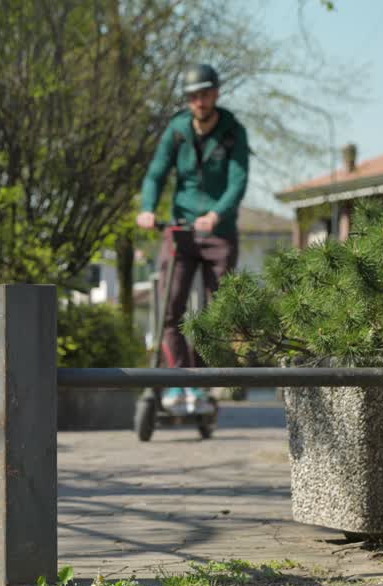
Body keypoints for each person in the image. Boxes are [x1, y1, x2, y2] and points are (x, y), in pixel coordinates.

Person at [135, 63, 249, 413]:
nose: (200, 101)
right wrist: (148, 207)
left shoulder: (233, 131)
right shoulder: (177, 131)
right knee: (171, 309)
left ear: (216, 94)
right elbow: (156, 174)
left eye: (206, 93)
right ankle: (177, 381)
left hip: (218, 233)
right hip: (181, 229)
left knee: (215, 315)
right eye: (193, 96)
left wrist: (216, 214)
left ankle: (199, 385)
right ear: (188, 100)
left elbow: (238, 180)